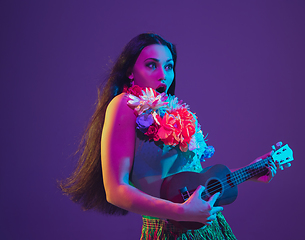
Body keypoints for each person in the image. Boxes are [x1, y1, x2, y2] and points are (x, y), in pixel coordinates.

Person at [59, 33, 282, 239]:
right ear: (130, 71)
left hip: (213, 229)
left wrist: (251, 171)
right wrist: (182, 212)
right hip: (169, 230)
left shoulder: (177, 112)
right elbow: (116, 190)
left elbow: (197, 179)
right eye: (151, 65)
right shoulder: (124, 106)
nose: (163, 74)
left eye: (169, 66)